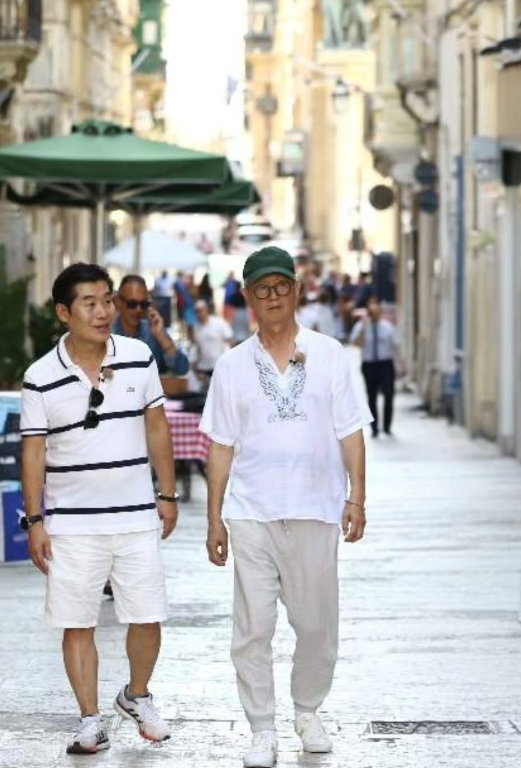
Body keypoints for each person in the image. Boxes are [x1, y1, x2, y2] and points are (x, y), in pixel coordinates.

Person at [199, 246, 372, 767]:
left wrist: (357, 497)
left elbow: (351, 430)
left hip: (316, 508)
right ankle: (261, 729)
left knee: (317, 624)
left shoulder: (330, 353)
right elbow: (220, 445)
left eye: (281, 286)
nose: (272, 297)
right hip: (252, 511)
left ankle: (307, 710)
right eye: (262, 289)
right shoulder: (231, 365)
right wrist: (213, 518)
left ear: (296, 290)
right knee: (252, 627)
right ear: (248, 297)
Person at [20, 262, 179, 755]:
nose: (103, 311)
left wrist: (168, 494)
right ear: (63, 312)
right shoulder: (40, 377)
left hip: (135, 515)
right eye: (89, 303)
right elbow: (33, 452)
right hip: (71, 523)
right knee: (77, 621)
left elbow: (156, 426)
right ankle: (89, 720)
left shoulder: (138, 356)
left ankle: (137, 695)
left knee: (147, 614)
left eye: (106, 300)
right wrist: (35, 521)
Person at [113, 275, 190, 376]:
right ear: (118, 302)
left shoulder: (153, 332)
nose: (138, 310)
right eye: (132, 304)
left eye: (143, 304)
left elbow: (182, 369)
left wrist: (162, 337)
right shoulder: (107, 334)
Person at [350, 295, 399, 437]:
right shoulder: (361, 327)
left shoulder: (387, 327)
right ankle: (374, 428)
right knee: (371, 396)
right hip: (369, 365)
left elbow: (396, 345)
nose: (374, 314)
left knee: (388, 394)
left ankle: (387, 426)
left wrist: (399, 365)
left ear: (380, 312)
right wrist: (363, 329)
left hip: (385, 364)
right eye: (371, 311)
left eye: (376, 311)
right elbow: (356, 344)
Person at [192, 300, 233, 382]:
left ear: (206, 310)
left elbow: (230, 340)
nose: (199, 314)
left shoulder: (219, 323)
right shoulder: (196, 328)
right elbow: (198, 348)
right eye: (197, 311)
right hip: (204, 367)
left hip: (219, 365)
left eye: (201, 310)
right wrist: (196, 364)